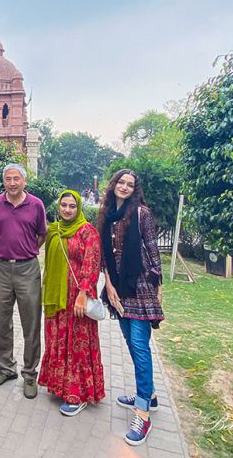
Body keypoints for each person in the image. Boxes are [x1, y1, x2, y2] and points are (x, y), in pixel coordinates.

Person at [97, 169, 164, 446]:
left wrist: (158, 286)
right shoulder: (106, 215)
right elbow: (105, 255)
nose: (124, 187)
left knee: (139, 345)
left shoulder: (141, 213)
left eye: (130, 185)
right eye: (121, 182)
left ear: (135, 189)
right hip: (119, 287)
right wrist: (108, 285)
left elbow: (152, 248)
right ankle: (149, 394)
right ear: (113, 185)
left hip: (141, 285)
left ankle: (142, 413)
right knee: (130, 342)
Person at [39, 190, 105, 416]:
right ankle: (60, 386)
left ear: (79, 208)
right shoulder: (54, 230)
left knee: (77, 344)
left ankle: (78, 394)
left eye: (72, 206)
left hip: (76, 298)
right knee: (57, 340)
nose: (67, 210)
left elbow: (91, 263)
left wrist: (83, 293)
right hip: (56, 297)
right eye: (64, 205)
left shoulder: (87, 231)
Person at [0, 163, 47, 399]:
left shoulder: (36, 204)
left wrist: (26, 250)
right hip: (0, 267)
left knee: (31, 322)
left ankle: (30, 374)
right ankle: (6, 368)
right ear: (4, 181)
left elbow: (41, 235)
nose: (12, 183)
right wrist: (3, 252)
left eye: (16, 179)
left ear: (24, 181)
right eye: (8, 179)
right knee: (1, 321)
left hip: (27, 268)